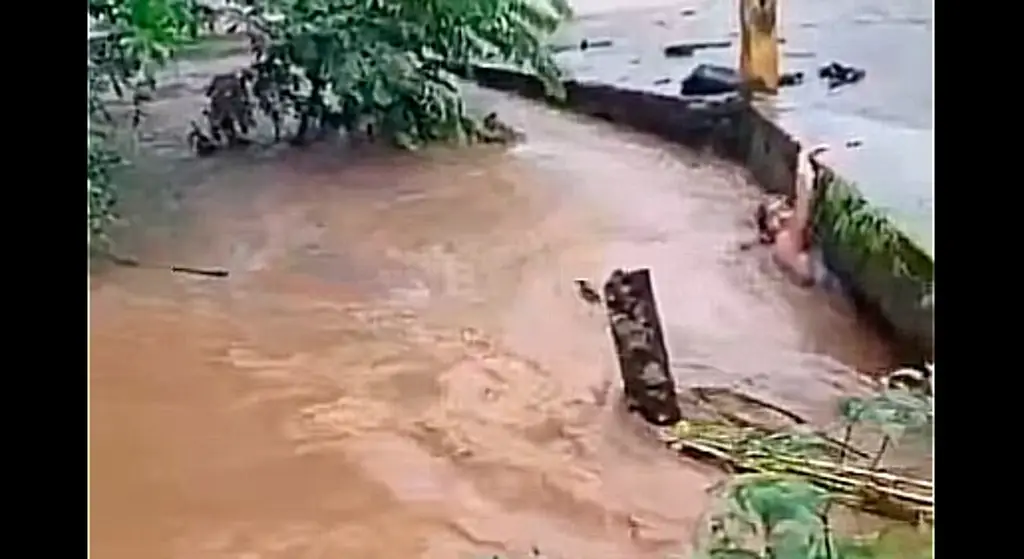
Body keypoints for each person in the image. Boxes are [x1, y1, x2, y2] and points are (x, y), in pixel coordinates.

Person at [744, 144, 831, 288]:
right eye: (777, 211)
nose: (784, 209)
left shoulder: (777, 249)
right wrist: (804, 160)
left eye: (783, 205)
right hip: (822, 286)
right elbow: (803, 203)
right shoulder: (784, 237)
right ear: (770, 226)